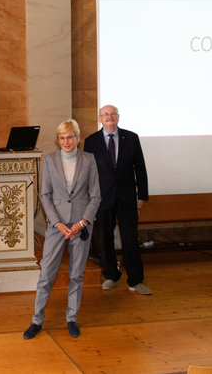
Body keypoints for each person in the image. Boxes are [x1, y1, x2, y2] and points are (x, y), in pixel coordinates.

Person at [23, 119, 101, 340]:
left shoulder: (89, 160)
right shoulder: (49, 160)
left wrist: (82, 222)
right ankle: (37, 320)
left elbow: (95, 195)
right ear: (58, 140)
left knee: (76, 275)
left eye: (70, 137)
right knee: (46, 275)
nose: (66, 141)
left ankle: (71, 318)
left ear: (77, 137)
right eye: (62, 137)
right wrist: (57, 223)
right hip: (56, 226)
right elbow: (45, 195)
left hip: (81, 225)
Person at [83, 105, 151, 295]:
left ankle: (136, 280)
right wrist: (90, 199)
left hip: (127, 198)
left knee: (130, 239)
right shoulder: (91, 141)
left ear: (118, 117)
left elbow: (140, 168)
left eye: (113, 114)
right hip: (102, 199)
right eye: (106, 114)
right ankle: (111, 275)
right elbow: (88, 173)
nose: (109, 117)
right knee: (105, 239)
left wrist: (142, 195)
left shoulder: (131, 137)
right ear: (100, 118)